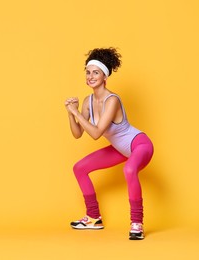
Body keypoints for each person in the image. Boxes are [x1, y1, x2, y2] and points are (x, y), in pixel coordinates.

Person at [64, 47, 154, 240]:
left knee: (129, 170)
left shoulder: (112, 100)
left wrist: (77, 113)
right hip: (121, 150)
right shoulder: (87, 101)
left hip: (140, 145)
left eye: (95, 72)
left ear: (105, 76)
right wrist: (70, 113)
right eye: (88, 72)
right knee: (79, 168)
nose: (90, 76)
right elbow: (78, 133)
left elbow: (96, 133)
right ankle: (93, 217)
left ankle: (136, 223)